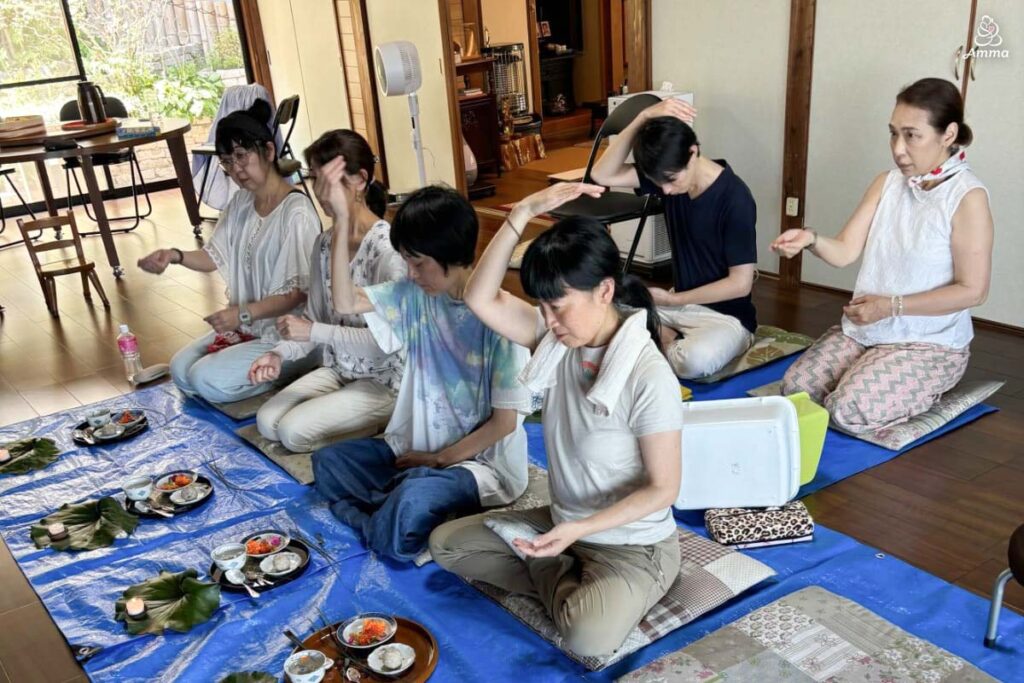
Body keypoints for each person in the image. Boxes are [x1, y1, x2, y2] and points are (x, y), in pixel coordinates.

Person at [429, 182, 683, 657]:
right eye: (541, 307)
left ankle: (554, 567)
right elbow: (480, 298)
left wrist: (577, 533)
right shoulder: (555, 342)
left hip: (630, 545)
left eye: (557, 305)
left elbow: (663, 490)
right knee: (447, 545)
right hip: (565, 522)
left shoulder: (648, 376)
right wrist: (521, 212)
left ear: (605, 290)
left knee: (587, 637)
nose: (548, 319)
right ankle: (557, 565)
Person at [310, 181, 531, 563]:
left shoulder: (501, 320)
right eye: (407, 261)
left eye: (418, 262)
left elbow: (504, 424)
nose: (410, 273)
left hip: (477, 465)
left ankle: (389, 509)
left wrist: (440, 460)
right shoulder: (415, 296)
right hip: (416, 449)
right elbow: (344, 300)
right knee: (328, 462)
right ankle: (395, 511)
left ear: (449, 254)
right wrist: (343, 219)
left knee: (409, 504)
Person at [773, 78, 993, 433]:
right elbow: (845, 251)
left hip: (928, 343)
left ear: (948, 134)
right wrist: (810, 238)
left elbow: (974, 291)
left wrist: (890, 306)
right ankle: (870, 365)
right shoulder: (887, 183)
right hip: (866, 327)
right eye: (893, 133)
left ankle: (934, 382)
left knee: (847, 410)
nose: (898, 149)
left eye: (911, 135)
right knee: (797, 390)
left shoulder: (967, 197)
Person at [139, 99, 320, 404]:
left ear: (268, 151)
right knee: (181, 370)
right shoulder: (240, 203)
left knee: (204, 380)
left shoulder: (296, 212)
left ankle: (296, 371)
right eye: (226, 162)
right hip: (250, 325)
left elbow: (298, 294)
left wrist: (242, 313)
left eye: (241, 156)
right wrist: (174, 255)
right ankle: (247, 370)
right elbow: (214, 256)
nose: (236, 170)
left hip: (291, 336)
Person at [250, 131, 406, 453]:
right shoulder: (324, 243)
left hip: (385, 382)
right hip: (338, 370)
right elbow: (312, 320)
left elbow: (386, 347)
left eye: (327, 180)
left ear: (360, 179)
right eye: (314, 178)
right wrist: (278, 354)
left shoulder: (388, 251)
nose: (319, 191)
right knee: (268, 421)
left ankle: (385, 423)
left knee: (293, 433)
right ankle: (349, 420)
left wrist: (315, 331)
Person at [590, 99, 758, 379]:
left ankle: (662, 340)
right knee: (597, 313)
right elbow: (602, 173)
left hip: (726, 318)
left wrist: (673, 299)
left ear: (693, 153)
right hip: (675, 306)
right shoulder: (666, 173)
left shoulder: (735, 198)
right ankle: (659, 336)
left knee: (694, 360)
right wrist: (643, 117)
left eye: (671, 180)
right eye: (659, 183)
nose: (666, 191)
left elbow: (740, 284)